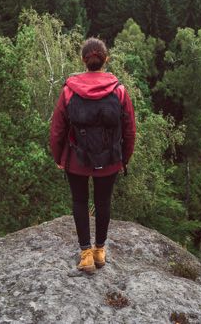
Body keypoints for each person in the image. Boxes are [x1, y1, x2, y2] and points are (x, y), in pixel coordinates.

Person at [49, 37, 136, 274]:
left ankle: (85, 254)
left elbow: (57, 129)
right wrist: (124, 158)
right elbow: (129, 129)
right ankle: (99, 251)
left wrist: (59, 157)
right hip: (109, 160)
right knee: (103, 202)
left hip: (77, 159)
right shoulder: (119, 90)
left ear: (83, 60)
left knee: (79, 201)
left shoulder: (69, 91)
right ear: (106, 59)